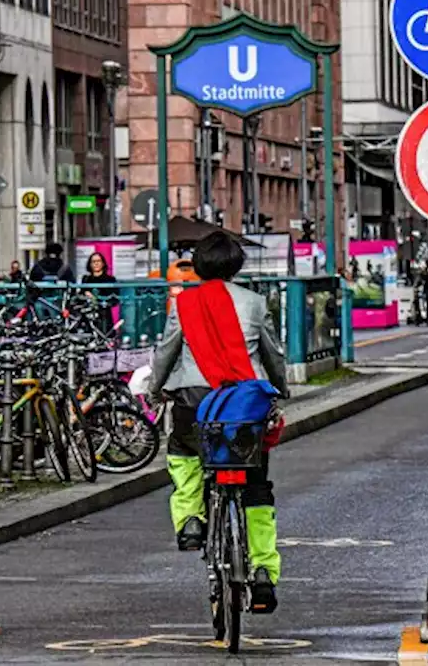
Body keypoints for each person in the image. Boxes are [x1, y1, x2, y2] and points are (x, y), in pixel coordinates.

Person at [147, 232, 288, 613]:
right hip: (245, 407)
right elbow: (273, 354)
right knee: (256, 485)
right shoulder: (256, 303)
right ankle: (261, 571)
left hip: (195, 402)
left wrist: (154, 389)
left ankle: (191, 519)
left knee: (183, 451)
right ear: (237, 265)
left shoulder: (184, 303)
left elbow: (166, 352)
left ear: (200, 264)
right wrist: (280, 389)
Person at [82, 252, 119, 333]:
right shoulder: (86, 279)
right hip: (89, 315)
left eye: (98, 261)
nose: (96, 264)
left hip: (104, 316)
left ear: (103, 263)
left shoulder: (110, 279)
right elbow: (81, 296)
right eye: (93, 261)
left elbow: (115, 299)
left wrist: (97, 299)